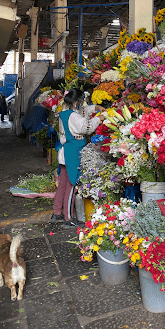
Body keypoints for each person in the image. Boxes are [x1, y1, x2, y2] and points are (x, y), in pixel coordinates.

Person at [51, 88, 105, 227]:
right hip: (73, 151)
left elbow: (83, 112)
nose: (84, 104)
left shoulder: (65, 112)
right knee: (71, 184)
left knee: (62, 185)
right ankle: (69, 218)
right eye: (82, 101)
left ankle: (57, 213)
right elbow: (86, 127)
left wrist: (95, 107)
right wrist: (98, 118)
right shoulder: (74, 116)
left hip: (66, 150)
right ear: (76, 102)